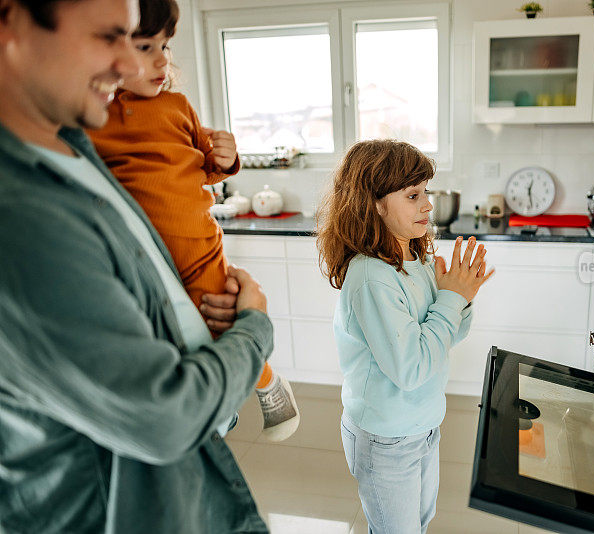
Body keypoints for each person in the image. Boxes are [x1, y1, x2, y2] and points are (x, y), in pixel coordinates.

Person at [0, 0, 273, 532]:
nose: (130, 67)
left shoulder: (74, 146)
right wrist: (254, 330)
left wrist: (193, 318)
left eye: (140, 42)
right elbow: (164, 417)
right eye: (108, 37)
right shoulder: (19, 215)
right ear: (10, 21)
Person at [87, 0, 299, 441]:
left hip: (198, 244)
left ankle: (266, 383)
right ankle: (213, 412)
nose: (163, 60)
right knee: (180, 336)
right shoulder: (92, 118)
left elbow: (205, 165)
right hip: (144, 253)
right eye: (146, 47)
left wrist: (227, 156)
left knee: (220, 320)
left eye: (165, 46)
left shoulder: (176, 106)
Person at [316, 140, 494, 533]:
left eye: (425, 192)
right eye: (413, 195)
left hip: (423, 425)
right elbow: (411, 368)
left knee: (419, 523)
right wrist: (450, 299)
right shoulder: (371, 275)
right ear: (374, 203)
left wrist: (461, 298)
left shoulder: (418, 258)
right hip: (386, 438)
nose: (427, 205)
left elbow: (447, 337)